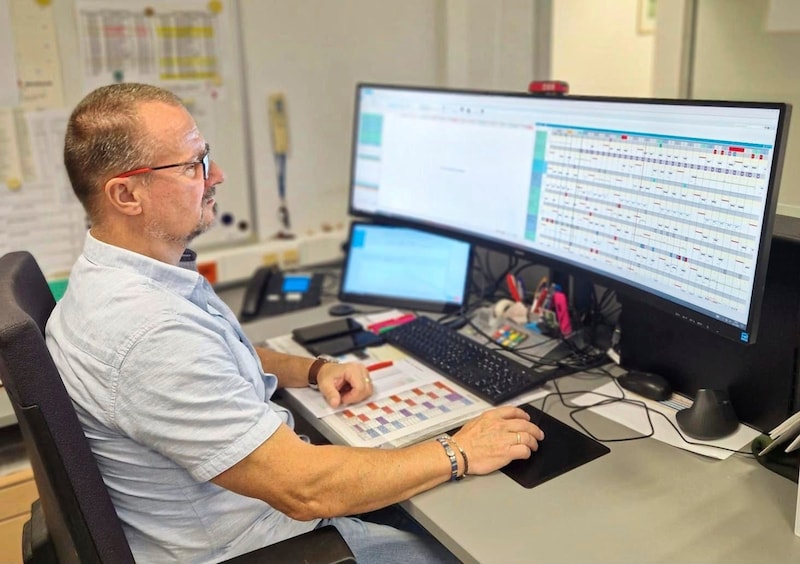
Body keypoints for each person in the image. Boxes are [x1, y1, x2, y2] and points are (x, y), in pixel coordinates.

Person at [45, 82, 545, 563]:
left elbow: (216, 352)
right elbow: (306, 490)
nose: (215, 173)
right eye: (193, 164)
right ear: (127, 195)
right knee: (495, 547)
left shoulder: (109, 280)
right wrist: (458, 449)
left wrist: (313, 369)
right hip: (267, 544)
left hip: (243, 517)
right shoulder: (148, 331)